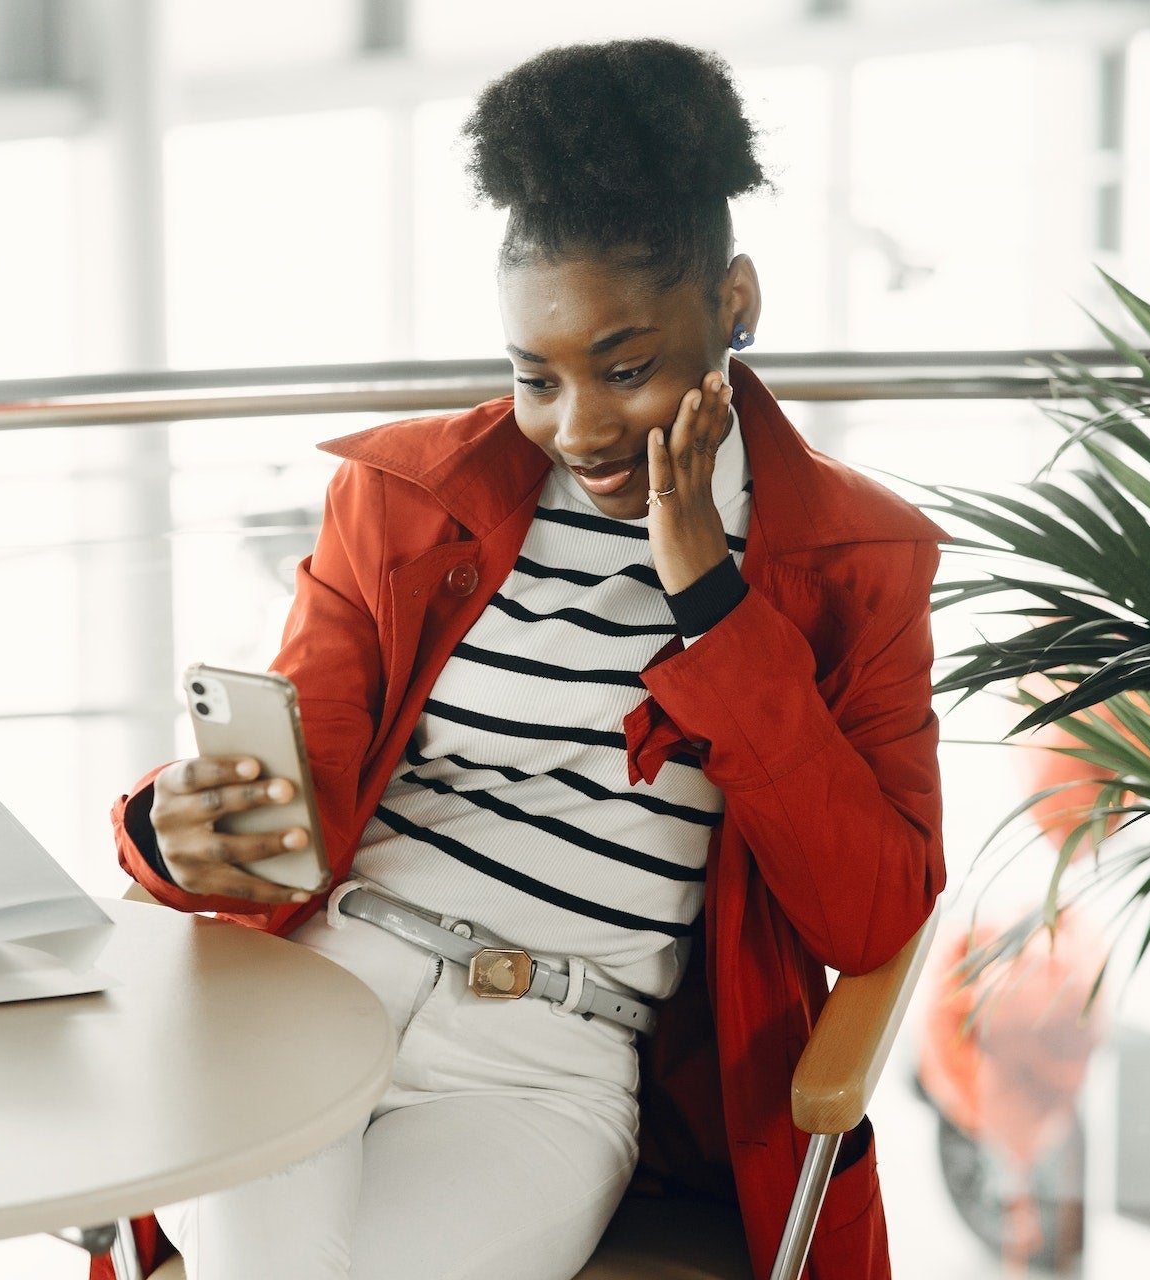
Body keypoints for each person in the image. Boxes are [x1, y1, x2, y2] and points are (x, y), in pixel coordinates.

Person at [104, 37, 946, 1280]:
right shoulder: (404, 502)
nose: (580, 428)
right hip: (315, 988)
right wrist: (176, 833)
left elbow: (870, 906)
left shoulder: (850, 560)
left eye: (626, 367)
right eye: (532, 377)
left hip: (549, 1060)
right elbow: (306, 789)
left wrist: (711, 594)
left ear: (736, 303)